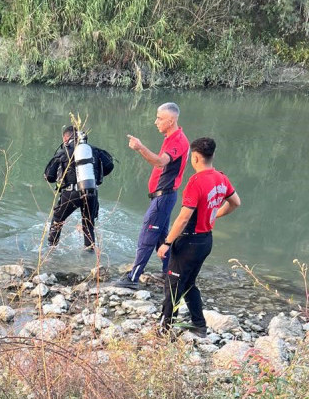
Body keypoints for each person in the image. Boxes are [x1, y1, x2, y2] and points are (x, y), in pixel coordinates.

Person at [156, 137, 241, 337]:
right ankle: (199, 325)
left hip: (189, 241)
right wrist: (215, 214)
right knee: (189, 283)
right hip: (205, 241)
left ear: (194, 157)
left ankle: (164, 331)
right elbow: (235, 202)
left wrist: (167, 242)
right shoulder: (221, 178)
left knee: (173, 286)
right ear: (212, 155)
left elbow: (184, 217)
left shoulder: (196, 181)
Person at [115, 102, 189, 289]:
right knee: (161, 238)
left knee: (147, 235)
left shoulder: (178, 141)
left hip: (164, 197)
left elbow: (159, 162)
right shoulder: (170, 137)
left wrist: (140, 147)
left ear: (171, 121)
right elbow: (159, 163)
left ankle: (133, 277)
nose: (156, 122)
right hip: (163, 196)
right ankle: (169, 273)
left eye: (160, 118)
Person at [44, 125, 114, 251]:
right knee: (88, 224)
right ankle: (90, 254)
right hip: (91, 191)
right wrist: (96, 174)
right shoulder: (94, 150)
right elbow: (110, 165)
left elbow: (49, 176)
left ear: (66, 138)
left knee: (57, 221)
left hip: (71, 193)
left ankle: (50, 251)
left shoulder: (63, 152)